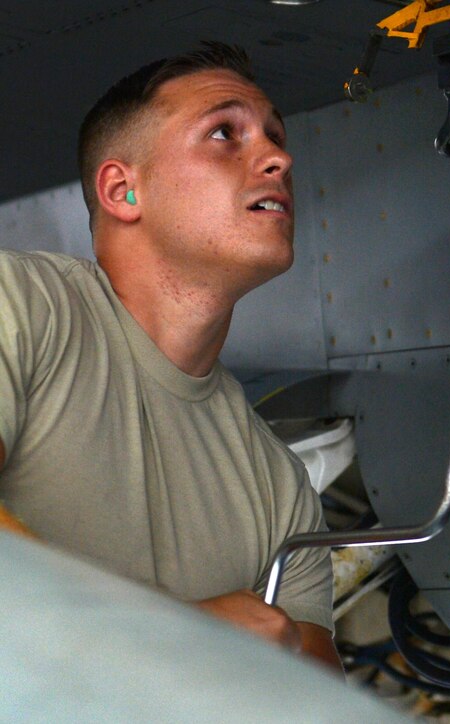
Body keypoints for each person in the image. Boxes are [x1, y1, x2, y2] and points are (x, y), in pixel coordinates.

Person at [0, 43, 340, 670]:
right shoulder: (18, 306)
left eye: (273, 135)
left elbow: (317, 701)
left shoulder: (281, 493)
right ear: (123, 191)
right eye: (223, 133)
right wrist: (183, 630)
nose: (279, 158)